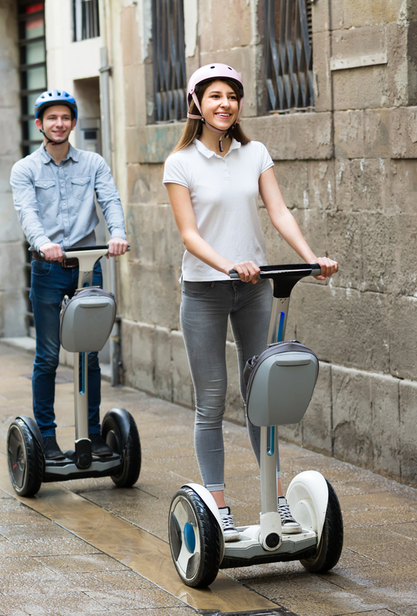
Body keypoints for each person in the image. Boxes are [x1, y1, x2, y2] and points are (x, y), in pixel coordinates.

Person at [163, 64, 338, 542]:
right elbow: (188, 234)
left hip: (256, 287)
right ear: (196, 102)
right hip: (204, 289)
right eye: (214, 95)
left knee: (263, 398)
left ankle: (273, 499)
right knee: (212, 400)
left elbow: (278, 212)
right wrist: (227, 264)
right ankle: (217, 506)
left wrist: (310, 258)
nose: (224, 104)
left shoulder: (254, 152)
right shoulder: (180, 162)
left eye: (232, 96)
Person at [10, 89, 129, 460]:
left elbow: (109, 200)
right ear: (39, 124)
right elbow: (27, 212)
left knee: (89, 355)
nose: (58, 124)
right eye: (51, 118)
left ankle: (92, 435)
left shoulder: (93, 163)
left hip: (88, 266)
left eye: (65, 118)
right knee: (47, 357)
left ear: (73, 123)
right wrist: (43, 241)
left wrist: (118, 234)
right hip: (48, 268)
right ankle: (45, 437)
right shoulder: (25, 169)